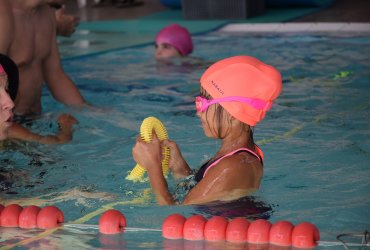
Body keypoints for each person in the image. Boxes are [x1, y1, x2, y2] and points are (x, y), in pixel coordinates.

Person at [132, 55, 282, 205]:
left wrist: (153, 166)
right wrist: (179, 168)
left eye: (204, 103)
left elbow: (175, 217)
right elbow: (200, 194)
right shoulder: (233, 156)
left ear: (234, 112)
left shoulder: (234, 166)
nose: (199, 111)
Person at [0, 0, 86, 118]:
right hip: (9, 122)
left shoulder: (46, 12)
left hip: (35, 116)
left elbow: (55, 75)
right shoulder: (3, 14)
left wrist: (87, 110)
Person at [0, 54, 78, 145]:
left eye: (7, 89)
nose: (10, 103)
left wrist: (65, 127)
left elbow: (57, 141)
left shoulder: (9, 129)